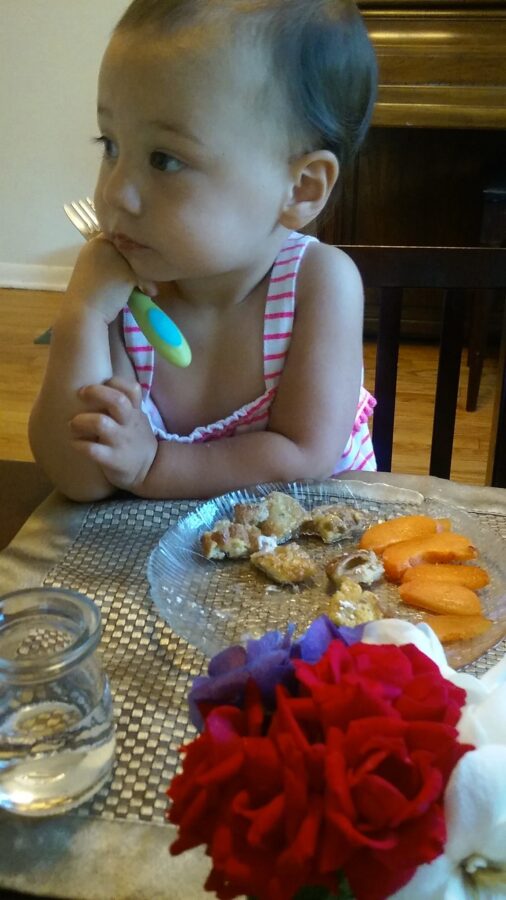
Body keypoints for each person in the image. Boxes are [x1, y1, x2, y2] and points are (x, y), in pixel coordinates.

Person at [29, 0, 378, 502]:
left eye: (164, 159)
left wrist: (156, 464)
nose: (114, 193)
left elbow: (303, 456)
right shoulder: (123, 292)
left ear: (300, 188)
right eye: (110, 146)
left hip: (314, 557)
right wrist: (83, 314)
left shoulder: (320, 283)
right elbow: (81, 478)